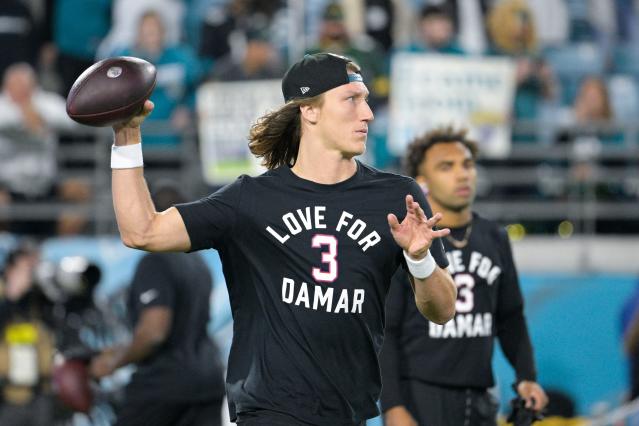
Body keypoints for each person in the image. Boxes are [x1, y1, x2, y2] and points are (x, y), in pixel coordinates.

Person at [108, 52, 457, 425]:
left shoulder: (396, 197)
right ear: (310, 111)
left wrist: (421, 260)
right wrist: (127, 135)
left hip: (347, 412)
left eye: (367, 100)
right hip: (271, 410)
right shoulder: (251, 200)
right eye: (352, 99)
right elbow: (141, 230)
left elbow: (443, 310)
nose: (368, 113)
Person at [379, 126, 548, 426]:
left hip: (481, 396)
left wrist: (526, 378)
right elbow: (387, 332)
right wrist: (393, 406)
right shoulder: (408, 241)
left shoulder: (495, 237)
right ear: (422, 182)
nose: (462, 174)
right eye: (447, 166)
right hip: (422, 397)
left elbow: (511, 317)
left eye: (467, 164)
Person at [89, 183, 226, 426]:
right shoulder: (198, 264)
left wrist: (113, 363)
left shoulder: (156, 262)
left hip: (165, 383)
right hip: (208, 379)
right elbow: (181, 331)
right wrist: (123, 349)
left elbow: (154, 333)